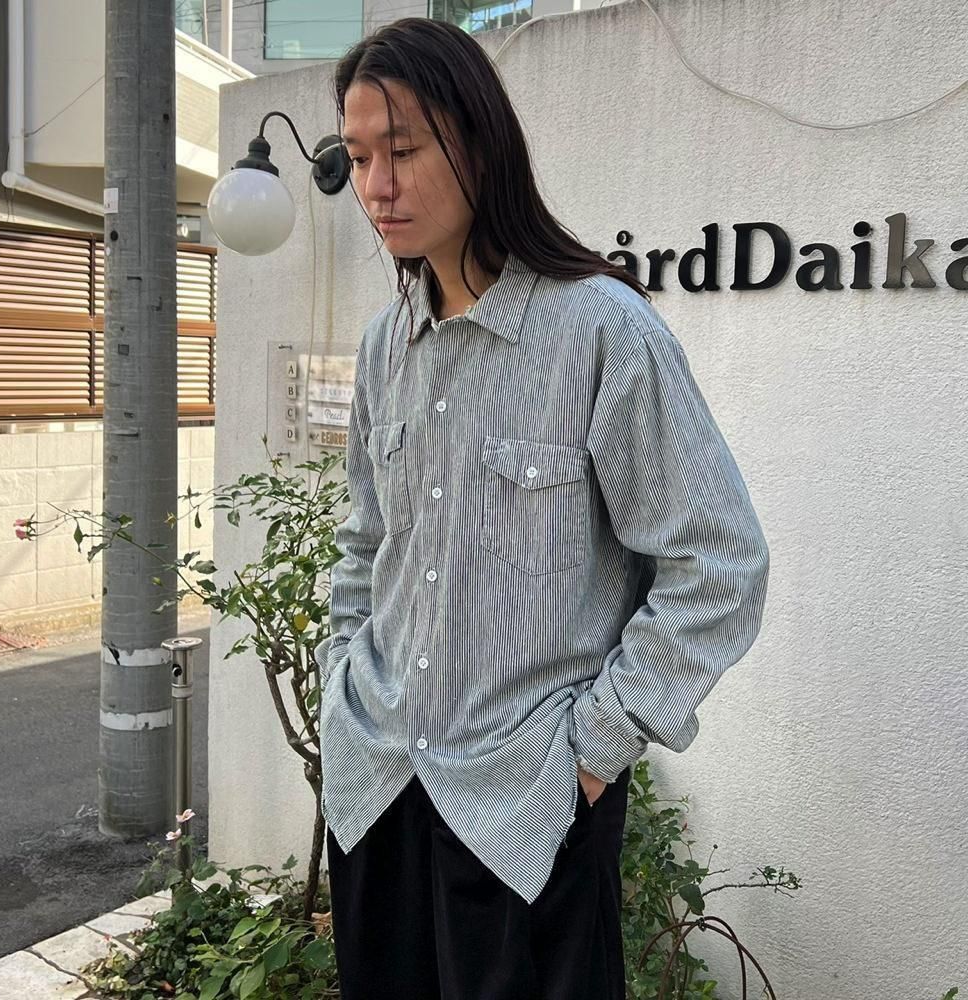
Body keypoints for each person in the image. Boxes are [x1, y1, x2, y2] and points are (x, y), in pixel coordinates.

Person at [313, 17, 770, 1000]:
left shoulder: (602, 331)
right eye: (357, 157)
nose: (377, 186)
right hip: (378, 786)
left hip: (527, 811)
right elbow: (366, 543)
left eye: (403, 150)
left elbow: (718, 565)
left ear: (479, 145)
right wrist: (339, 677)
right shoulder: (386, 346)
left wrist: (592, 754)